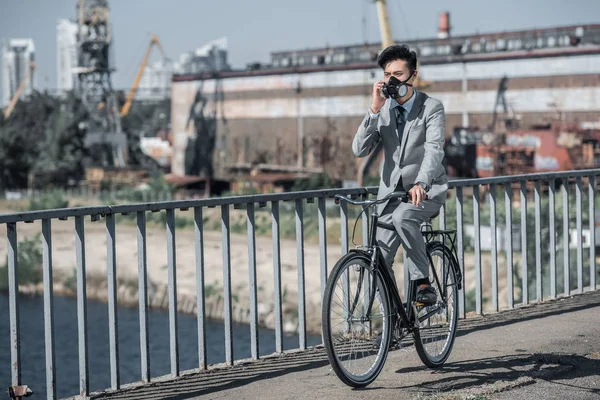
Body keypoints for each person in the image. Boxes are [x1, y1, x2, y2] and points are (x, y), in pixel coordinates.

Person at [352, 44, 448, 305]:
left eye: (397, 74)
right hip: (389, 195)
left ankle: (422, 282)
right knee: (378, 261)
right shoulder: (383, 110)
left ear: (412, 76)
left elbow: (434, 150)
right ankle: (395, 319)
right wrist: (373, 109)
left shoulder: (432, 108)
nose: (391, 80)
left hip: (425, 191)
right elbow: (359, 149)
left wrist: (421, 182)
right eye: (386, 74)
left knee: (405, 215)